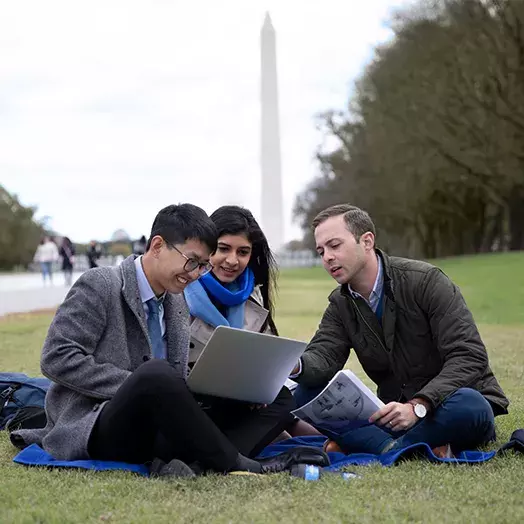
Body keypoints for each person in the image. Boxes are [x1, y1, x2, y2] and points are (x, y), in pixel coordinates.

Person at [12, 204, 327, 478]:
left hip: (156, 427)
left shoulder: (175, 301)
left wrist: (227, 393)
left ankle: (202, 460)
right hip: (97, 423)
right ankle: (237, 464)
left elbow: (176, 384)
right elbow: (57, 357)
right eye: (192, 261)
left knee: (277, 397)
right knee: (156, 375)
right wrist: (143, 387)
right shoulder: (101, 284)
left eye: (203, 265)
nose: (197, 273)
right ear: (158, 245)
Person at [290, 204, 508, 457]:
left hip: (444, 405)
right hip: (393, 416)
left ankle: (380, 446)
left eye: (335, 245)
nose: (327, 257)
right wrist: (295, 365)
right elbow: (323, 356)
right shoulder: (340, 304)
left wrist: (418, 406)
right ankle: (399, 447)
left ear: (367, 241)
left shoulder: (426, 281)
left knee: (471, 405)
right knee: (305, 390)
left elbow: (469, 356)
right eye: (320, 251)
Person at [184, 206, 318, 452]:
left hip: (236, 405)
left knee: (281, 399)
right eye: (223, 249)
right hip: (188, 403)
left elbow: (265, 367)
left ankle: (219, 452)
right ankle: (223, 453)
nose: (232, 260)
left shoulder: (253, 299)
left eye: (243, 252)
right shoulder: (179, 294)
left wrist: (260, 388)